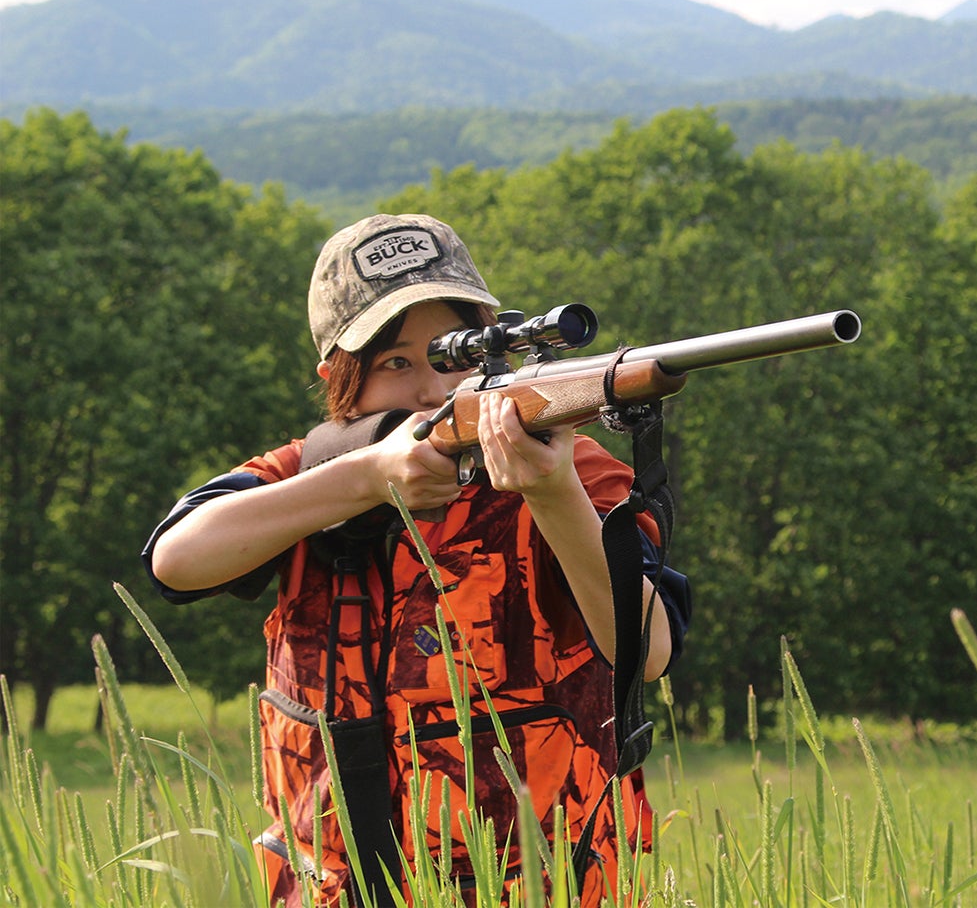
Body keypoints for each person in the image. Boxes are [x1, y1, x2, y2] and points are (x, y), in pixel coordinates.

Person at [141, 213, 691, 906]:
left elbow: (649, 650)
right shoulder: (313, 472)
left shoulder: (576, 472)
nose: (431, 390)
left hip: (546, 885)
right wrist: (366, 479)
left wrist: (552, 493)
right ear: (336, 378)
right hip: (330, 888)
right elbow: (176, 560)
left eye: (453, 358)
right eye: (396, 363)